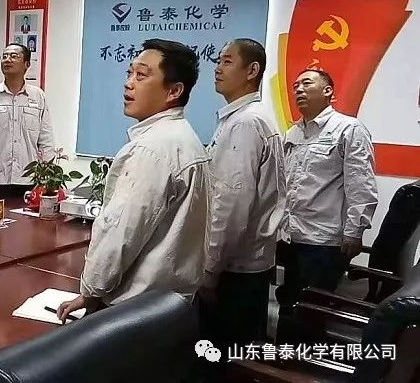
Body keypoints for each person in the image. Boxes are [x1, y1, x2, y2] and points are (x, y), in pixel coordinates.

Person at [57, 38, 211, 322]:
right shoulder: (185, 139)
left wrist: (90, 291)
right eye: (129, 73)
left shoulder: (151, 150)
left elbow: (121, 233)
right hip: (170, 306)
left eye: (141, 75)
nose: (128, 84)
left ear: (174, 91)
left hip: (133, 312)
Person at [198, 39, 285, 348]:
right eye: (218, 60)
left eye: (227, 61)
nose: (217, 68)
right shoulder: (244, 118)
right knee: (239, 350)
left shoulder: (246, 123)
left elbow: (230, 206)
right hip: (247, 265)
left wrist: (210, 270)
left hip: (234, 270)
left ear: (252, 70)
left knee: (221, 355)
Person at [277, 68, 378, 310]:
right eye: (295, 86)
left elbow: (361, 184)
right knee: (289, 303)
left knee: (312, 310)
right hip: (291, 236)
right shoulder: (293, 132)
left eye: (306, 84)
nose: (299, 90)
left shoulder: (348, 129)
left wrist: (354, 232)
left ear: (327, 91)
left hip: (324, 240)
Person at [0, 43, 55, 200]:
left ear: (27, 64)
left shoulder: (38, 96)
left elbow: (46, 141)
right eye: (4, 56)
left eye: (14, 56)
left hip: (29, 180)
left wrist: (46, 177)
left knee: (27, 217)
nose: (7, 60)